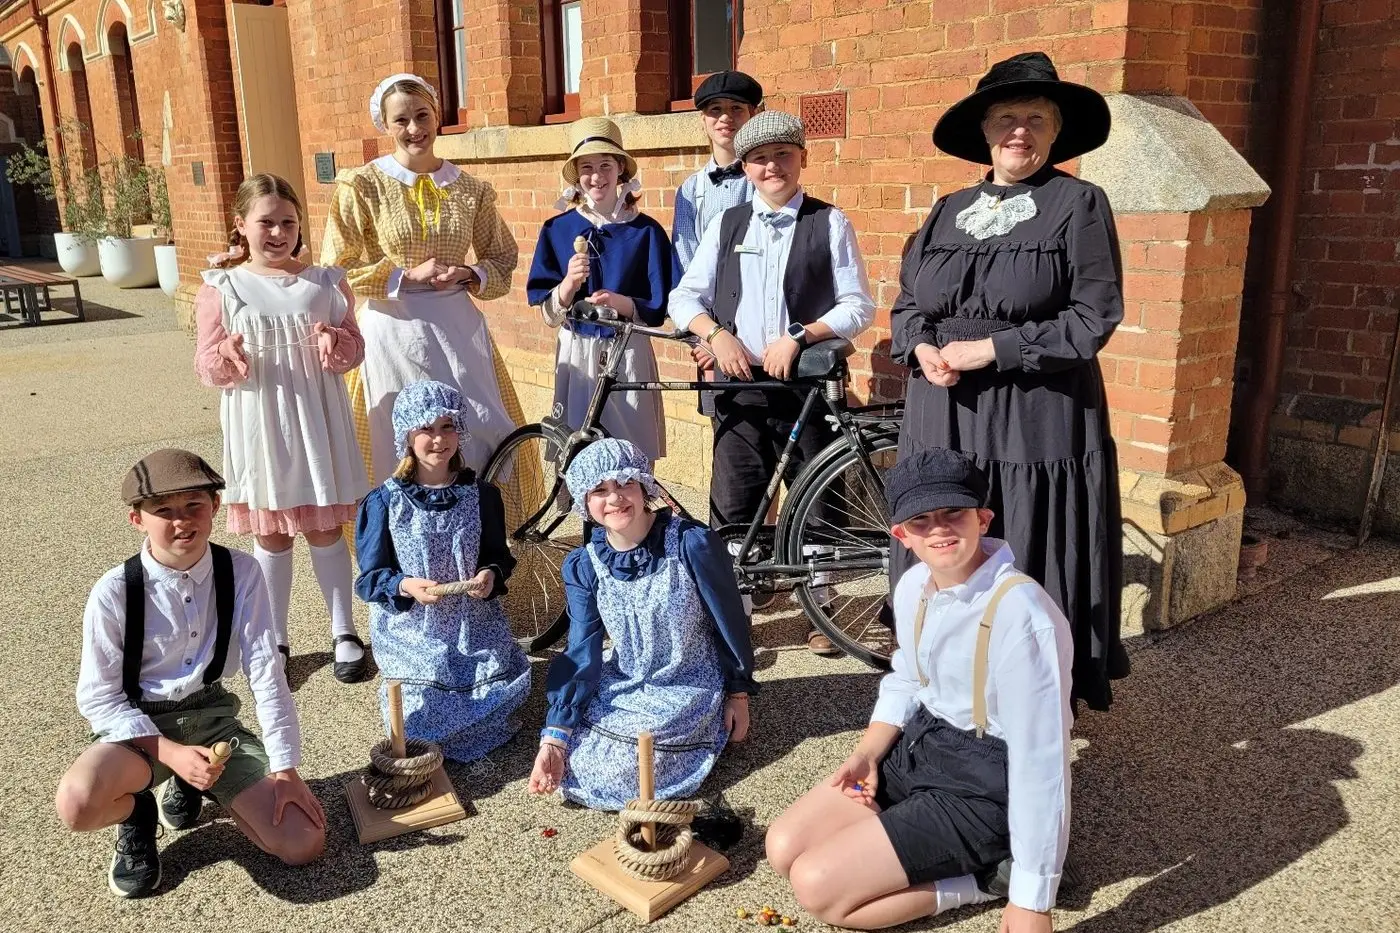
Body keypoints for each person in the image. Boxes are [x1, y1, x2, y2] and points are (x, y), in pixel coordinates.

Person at [888, 51, 1129, 711]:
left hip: (1034, 413)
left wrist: (990, 349)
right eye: (1005, 119)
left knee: (1023, 541)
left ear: (1056, 131)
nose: (1018, 131)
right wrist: (922, 346)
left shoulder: (1079, 204)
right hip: (941, 410)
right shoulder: (946, 210)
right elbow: (907, 303)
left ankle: (1028, 697)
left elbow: (1093, 317)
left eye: (1035, 119)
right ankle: (945, 686)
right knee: (945, 532)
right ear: (985, 131)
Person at [765, 448, 1072, 933]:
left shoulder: (1021, 615)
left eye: (954, 513)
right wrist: (868, 752)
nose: (939, 529)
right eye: (921, 520)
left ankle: (986, 880)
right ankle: (919, 842)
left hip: (983, 784)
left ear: (983, 519)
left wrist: (1033, 901)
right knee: (783, 847)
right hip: (921, 747)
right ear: (901, 535)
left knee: (817, 887)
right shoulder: (913, 587)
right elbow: (908, 677)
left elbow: (1041, 760)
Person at [55, 450, 326, 899]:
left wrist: (285, 769)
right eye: (163, 510)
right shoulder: (114, 591)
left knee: (303, 844)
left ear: (215, 506)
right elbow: (100, 699)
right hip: (141, 729)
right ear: (136, 519)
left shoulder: (242, 571)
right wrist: (172, 752)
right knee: (77, 804)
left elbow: (265, 670)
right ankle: (138, 814)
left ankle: (199, 779)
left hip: (212, 718)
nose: (182, 521)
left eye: (194, 505)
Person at [668, 110, 876, 655]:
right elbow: (684, 297)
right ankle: (737, 608)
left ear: (802, 158)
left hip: (808, 383)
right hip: (738, 384)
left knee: (817, 494)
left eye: (783, 154)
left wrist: (800, 336)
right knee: (736, 498)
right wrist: (716, 335)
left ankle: (820, 605)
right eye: (759, 158)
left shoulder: (829, 222)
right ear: (746, 168)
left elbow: (858, 306)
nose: (772, 166)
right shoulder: (728, 223)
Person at [194, 173, 371, 683]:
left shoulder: (326, 283)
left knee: (324, 527)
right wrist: (225, 353)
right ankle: (274, 637)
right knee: (271, 534)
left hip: (317, 419)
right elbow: (205, 365)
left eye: (288, 222)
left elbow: (355, 349)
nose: (278, 233)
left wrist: (335, 343)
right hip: (260, 422)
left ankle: (344, 631)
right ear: (241, 225)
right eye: (266, 222)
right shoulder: (222, 287)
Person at [526, 439, 756, 810]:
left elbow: (728, 622)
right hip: (625, 681)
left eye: (625, 484)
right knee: (574, 757)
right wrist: (554, 737)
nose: (615, 498)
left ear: (644, 485)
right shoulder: (585, 565)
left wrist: (738, 694)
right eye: (599, 490)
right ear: (584, 501)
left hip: (687, 683)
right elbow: (581, 647)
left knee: (626, 770)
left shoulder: (691, 544)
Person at [322, 72, 524, 483]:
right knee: (400, 434)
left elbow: (503, 256)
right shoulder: (363, 185)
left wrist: (468, 272)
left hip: (458, 331)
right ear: (385, 124)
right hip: (393, 330)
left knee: (474, 428)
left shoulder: (469, 189)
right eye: (401, 120)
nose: (414, 128)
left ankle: (471, 516)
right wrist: (405, 276)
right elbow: (336, 266)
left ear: (436, 115)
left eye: (422, 115)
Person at [354, 380, 529, 763]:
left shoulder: (481, 495)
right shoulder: (385, 502)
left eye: (447, 427)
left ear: (460, 430)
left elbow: (498, 556)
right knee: (423, 703)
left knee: (497, 691)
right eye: (426, 429)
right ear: (407, 435)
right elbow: (369, 579)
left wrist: (490, 574)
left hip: (473, 625)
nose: (438, 439)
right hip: (414, 631)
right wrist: (404, 584)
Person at [525, 118, 675, 462]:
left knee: (630, 450)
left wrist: (625, 303)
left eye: (605, 165)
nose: (597, 176)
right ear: (576, 176)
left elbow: (659, 308)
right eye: (587, 167)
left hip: (627, 351)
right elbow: (548, 314)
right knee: (578, 448)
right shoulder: (558, 229)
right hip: (577, 350)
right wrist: (568, 284)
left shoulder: (646, 232)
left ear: (621, 168)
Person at [671, 70, 763, 271]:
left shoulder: (765, 179)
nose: (725, 117)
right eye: (715, 109)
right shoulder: (690, 189)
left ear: (753, 115)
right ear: (703, 120)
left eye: (736, 108)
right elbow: (685, 256)